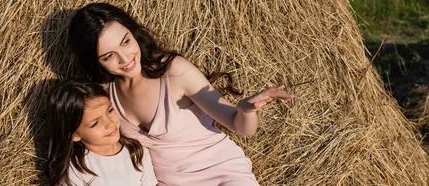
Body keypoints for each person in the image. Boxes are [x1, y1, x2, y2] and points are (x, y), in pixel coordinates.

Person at [67, 3, 295, 186]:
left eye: (126, 42)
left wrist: (245, 111)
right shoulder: (105, 97)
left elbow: (241, 127)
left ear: (133, 32)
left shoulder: (174, 72)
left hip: (221, 174)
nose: (125, 59)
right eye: (108, 56)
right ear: (94, 61)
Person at [46, 80, 158, 186]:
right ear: (75, 135)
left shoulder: (138, 152)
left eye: (109, 111)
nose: (110, 123)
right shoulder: (77, 169)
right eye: (95, 123)